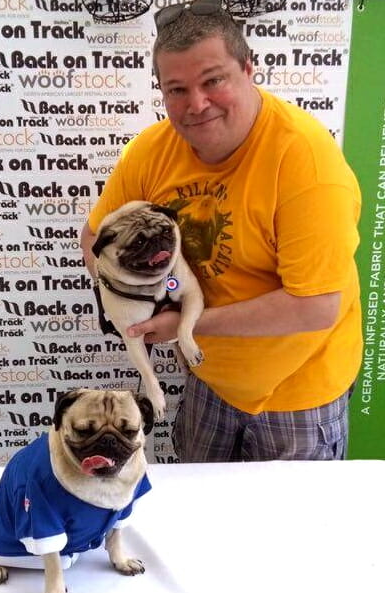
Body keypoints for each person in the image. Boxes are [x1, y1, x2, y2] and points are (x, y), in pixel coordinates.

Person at [80, 0, 362, 462]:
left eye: (213, 80)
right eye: (176, 89)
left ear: (249, 68)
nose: (196, 104)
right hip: (208, 379)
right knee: (198, 520)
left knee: (290, 530)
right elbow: (93, 238)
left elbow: (315, 306)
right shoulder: (150, 151)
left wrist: (183, 323)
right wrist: (134, 294)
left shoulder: (306, 162)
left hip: (300, 393)